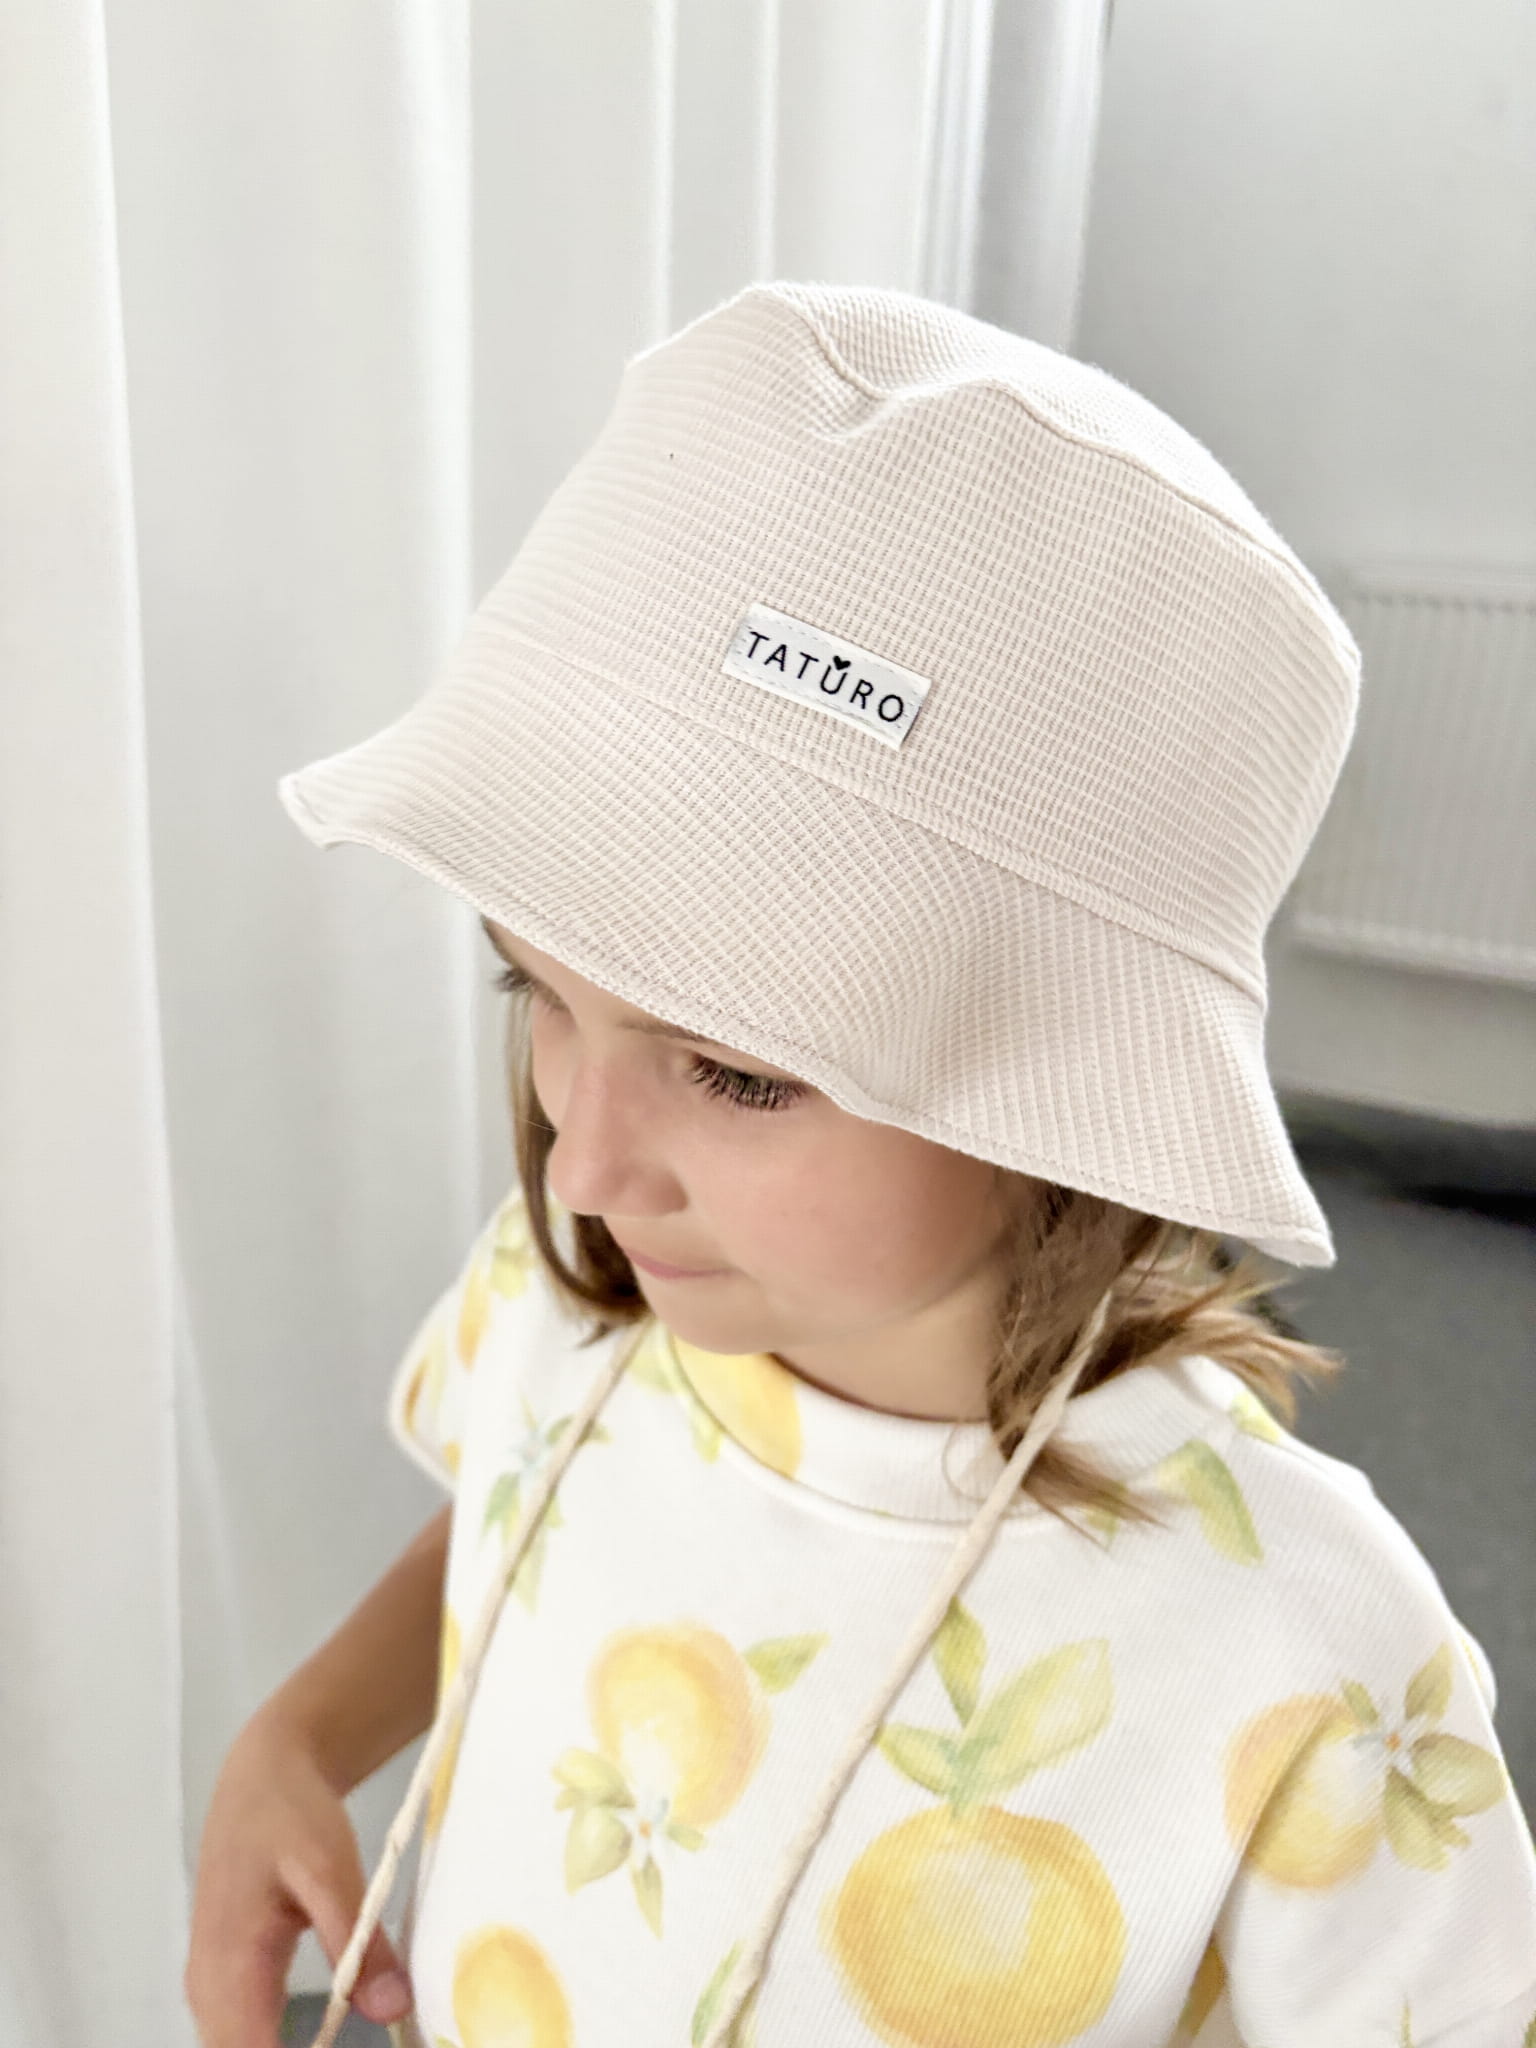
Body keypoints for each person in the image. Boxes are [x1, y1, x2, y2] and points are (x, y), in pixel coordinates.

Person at [186, 281, 1536, 2048]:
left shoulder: (1303, 1651)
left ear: (1067, 1087)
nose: (586, 1164)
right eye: (541, 994)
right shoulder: (561, 1299)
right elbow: (524, 1512)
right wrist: (300, 1733)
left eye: (740, 1075)